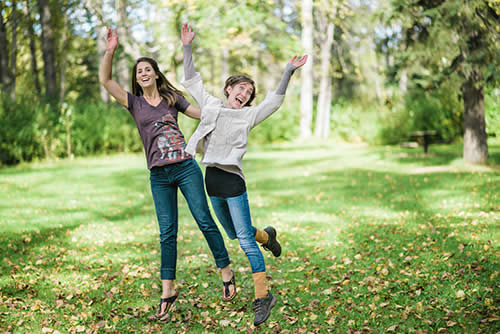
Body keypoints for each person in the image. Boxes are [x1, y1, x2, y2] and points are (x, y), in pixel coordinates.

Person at [99, 27, 236, 322]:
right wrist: (110, 50)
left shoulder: (171, 97)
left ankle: (226, 270)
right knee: (167, 233)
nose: (143, 73)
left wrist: (226, 109)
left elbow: (199, 113)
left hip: (186, 168)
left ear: (157, 74)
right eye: (139, 71)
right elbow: (106, 80)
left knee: (203, 219)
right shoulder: (133, 103)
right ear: (137, 79)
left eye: (148, 69)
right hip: (159, 176)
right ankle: (168, 290)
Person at [180, 23, 307, 326]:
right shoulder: (210, 105)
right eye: (241, 89)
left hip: (233, 182)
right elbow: (190, 79)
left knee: (246, 244)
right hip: (211, 179)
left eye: (249, 92)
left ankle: (263, 297)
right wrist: (187, 46)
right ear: (229, 89)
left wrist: (288, 72)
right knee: (236, 233)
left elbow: (274, 101)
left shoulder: (247, 115)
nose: (246, 94)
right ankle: (267, 236)